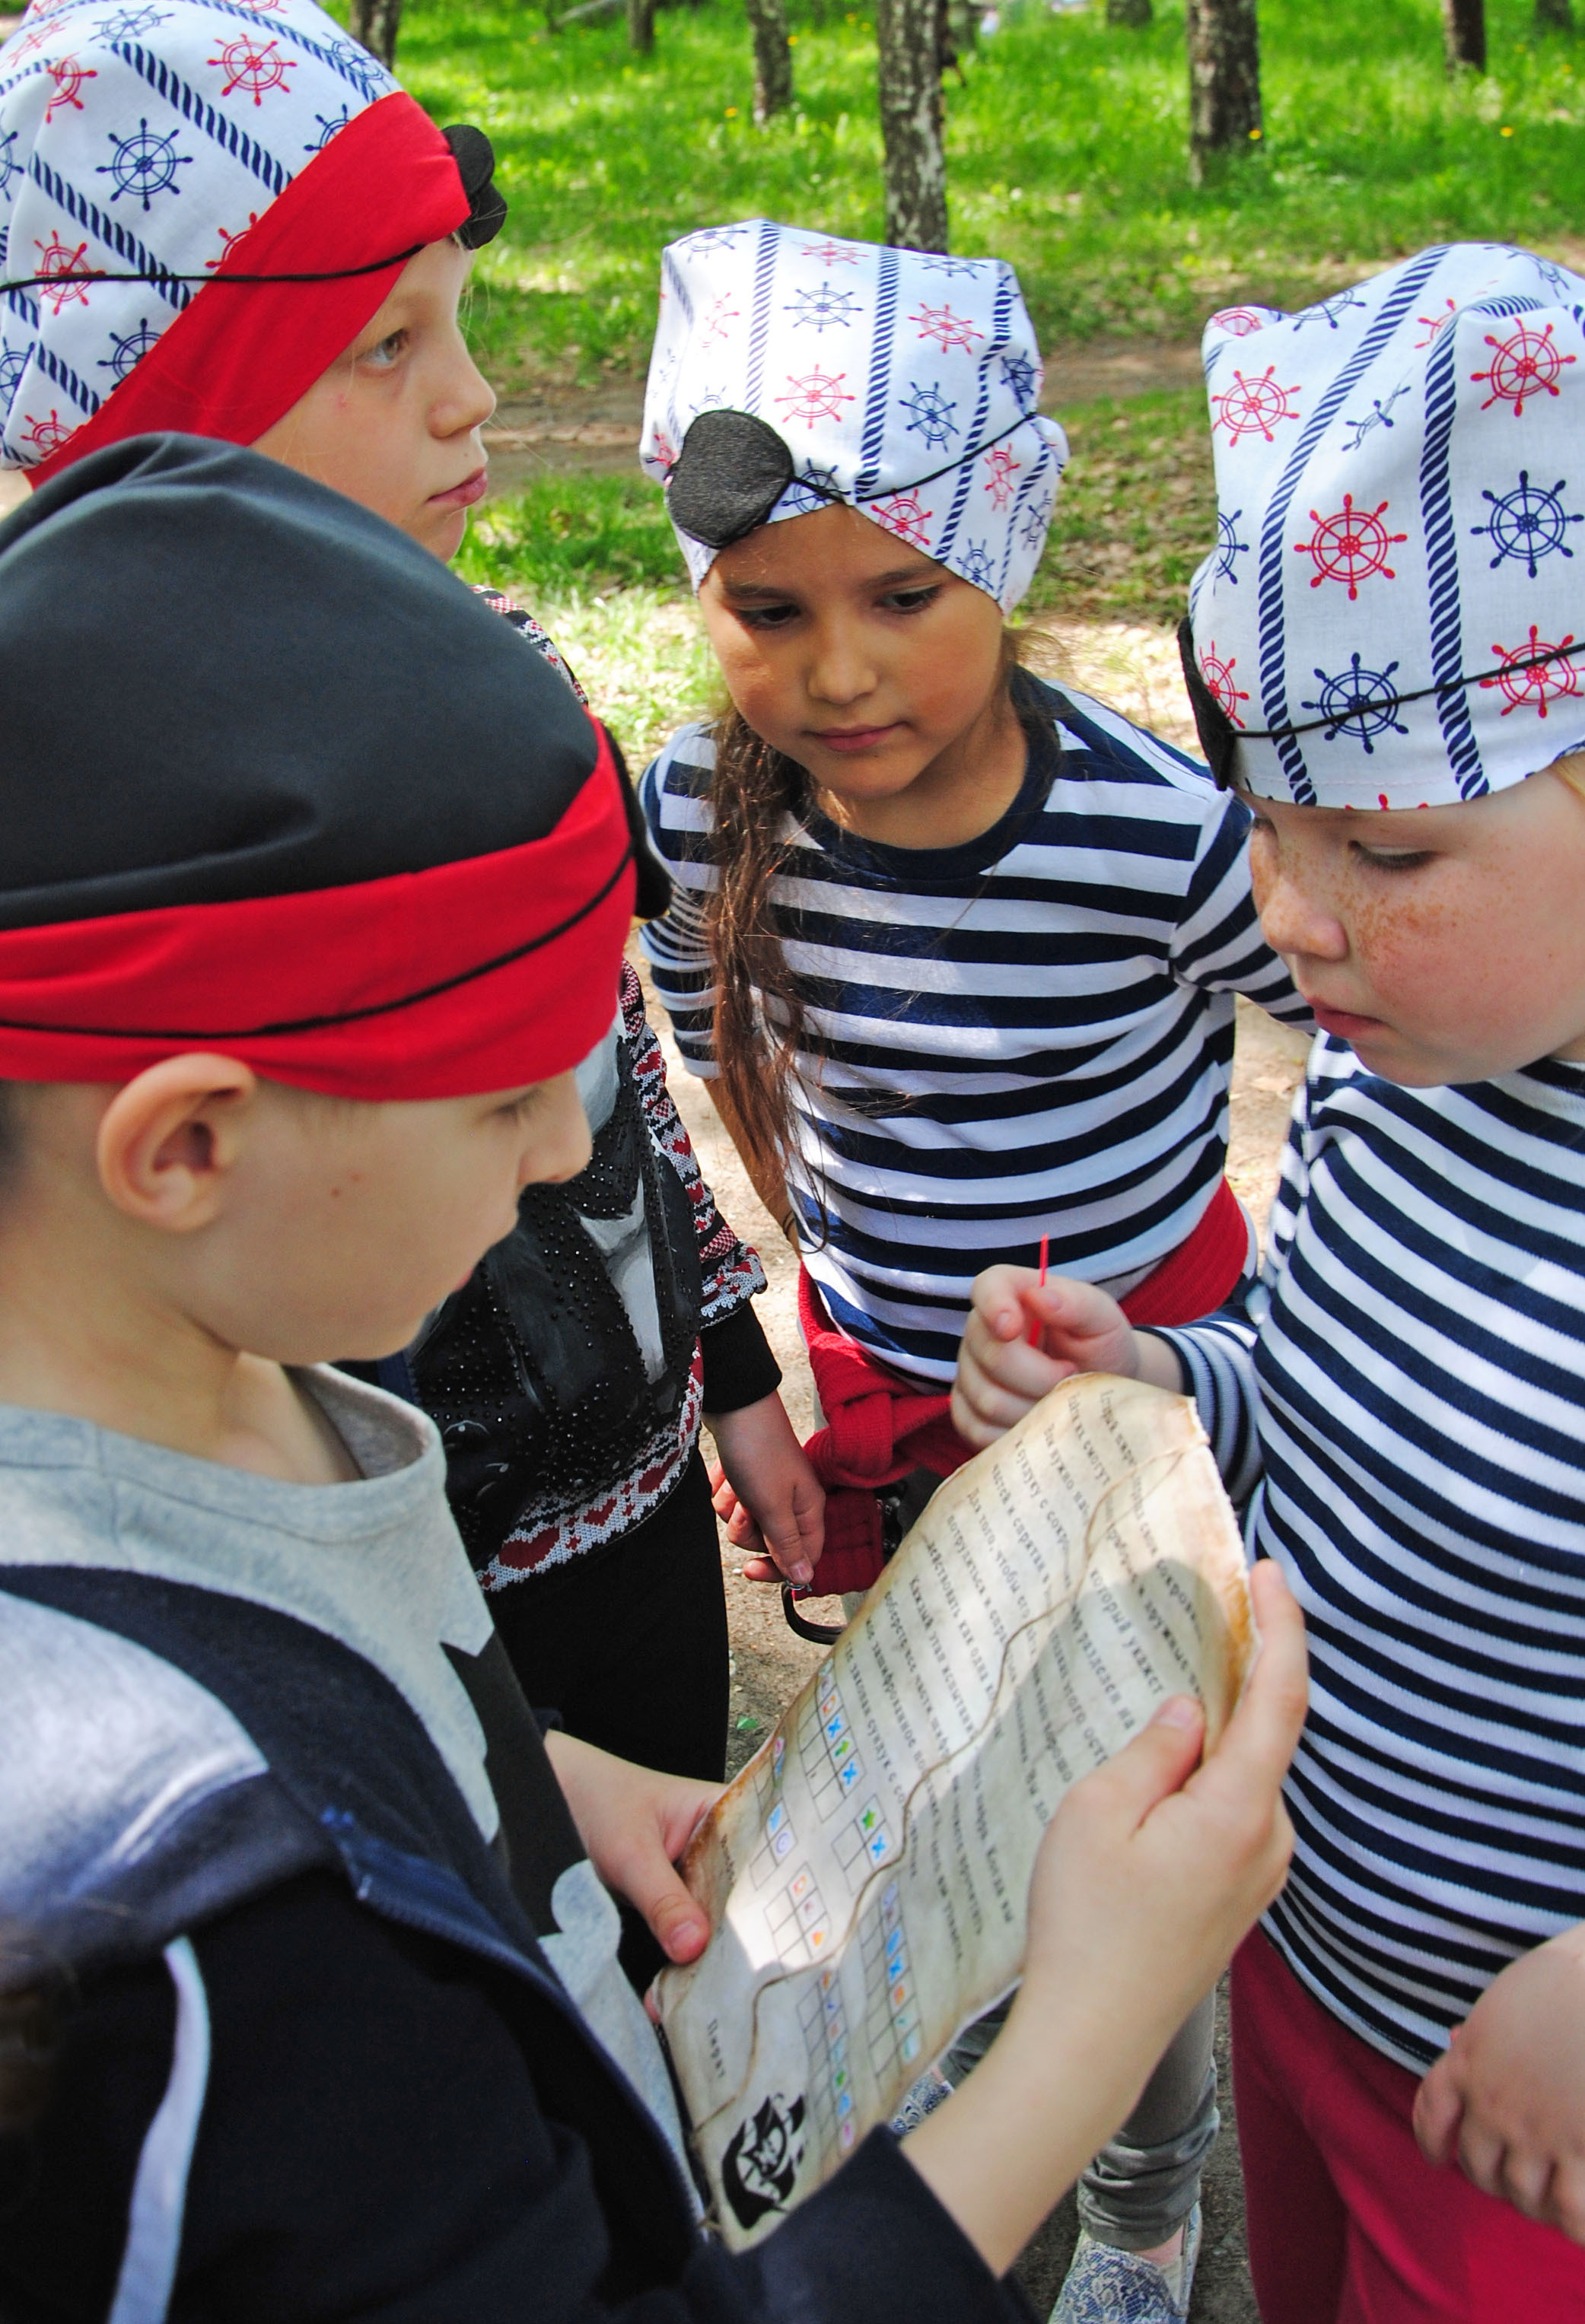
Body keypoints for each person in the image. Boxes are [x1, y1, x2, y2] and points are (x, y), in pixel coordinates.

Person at [0, 434, 1309, 2322]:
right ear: (184, 1147)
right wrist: (1082, 2032)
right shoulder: (210, 1918)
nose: (565, 1156)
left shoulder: (224, 1410)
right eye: (514, 1094)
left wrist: (521, 1785)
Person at [0, 0, 823, 1800]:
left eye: (457, 315)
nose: (472, 395)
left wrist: (730, 1367)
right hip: (362, 1611)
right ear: (167, 424)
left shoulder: (488, 680)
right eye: (384, 344)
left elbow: (603, 1073)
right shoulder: (87, 840)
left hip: (635, 1510)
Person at [635, 218, 1310, 2320]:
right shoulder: (699, 812)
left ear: (999, 555)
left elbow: (1346, 1034)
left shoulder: (1149, 832)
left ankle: (1135, 2195)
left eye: (902, 599)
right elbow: (678, 1012)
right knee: (948, 1789)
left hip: (1136, 1413)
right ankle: (929, 2106)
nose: (836, 673)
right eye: (767, 610)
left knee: (1126, 1811)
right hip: (899, 1404)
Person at [952, 242, 1585, 2323]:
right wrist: (1161, 1379)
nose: (1285, 921)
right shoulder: (1406, 1070)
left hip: (1531, 2106)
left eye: (1384, 857)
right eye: (1264, 826)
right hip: (1302, 1958)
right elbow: (1314, 1389)